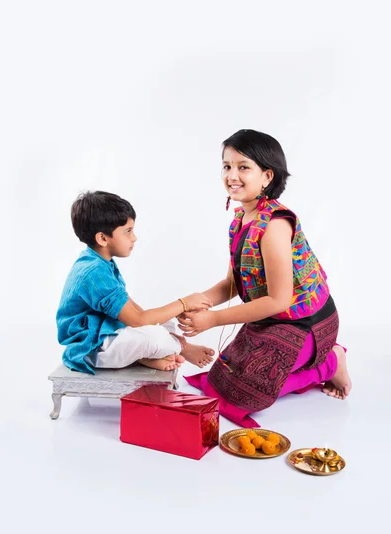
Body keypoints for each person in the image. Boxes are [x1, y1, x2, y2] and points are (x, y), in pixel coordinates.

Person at [179, 129, 352, 428]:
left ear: (267, 177)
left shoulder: (274, 224)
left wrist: (213, 319)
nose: (232, 174)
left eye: (243, 167)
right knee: (221, 378)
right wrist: (198, 303)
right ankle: (315, 361)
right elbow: (232, 283)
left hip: (305, 324)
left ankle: (330, 361)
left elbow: (280, 299)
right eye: (227, 165)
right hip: (272, 320)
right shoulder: (240, 220)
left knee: (244, 396)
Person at [56, 191, 214, 374]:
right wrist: (184, 303)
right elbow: (138, 320)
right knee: (156, 337)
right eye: (128, 231)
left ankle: (150, 355)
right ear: (102, 238)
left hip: (107, 330)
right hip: (91, 347)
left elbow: (135, 311)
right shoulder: (94, 273)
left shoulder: (100, 262)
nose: (134, 237)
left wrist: (160, 322)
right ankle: (177, 349)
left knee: (164, 323)